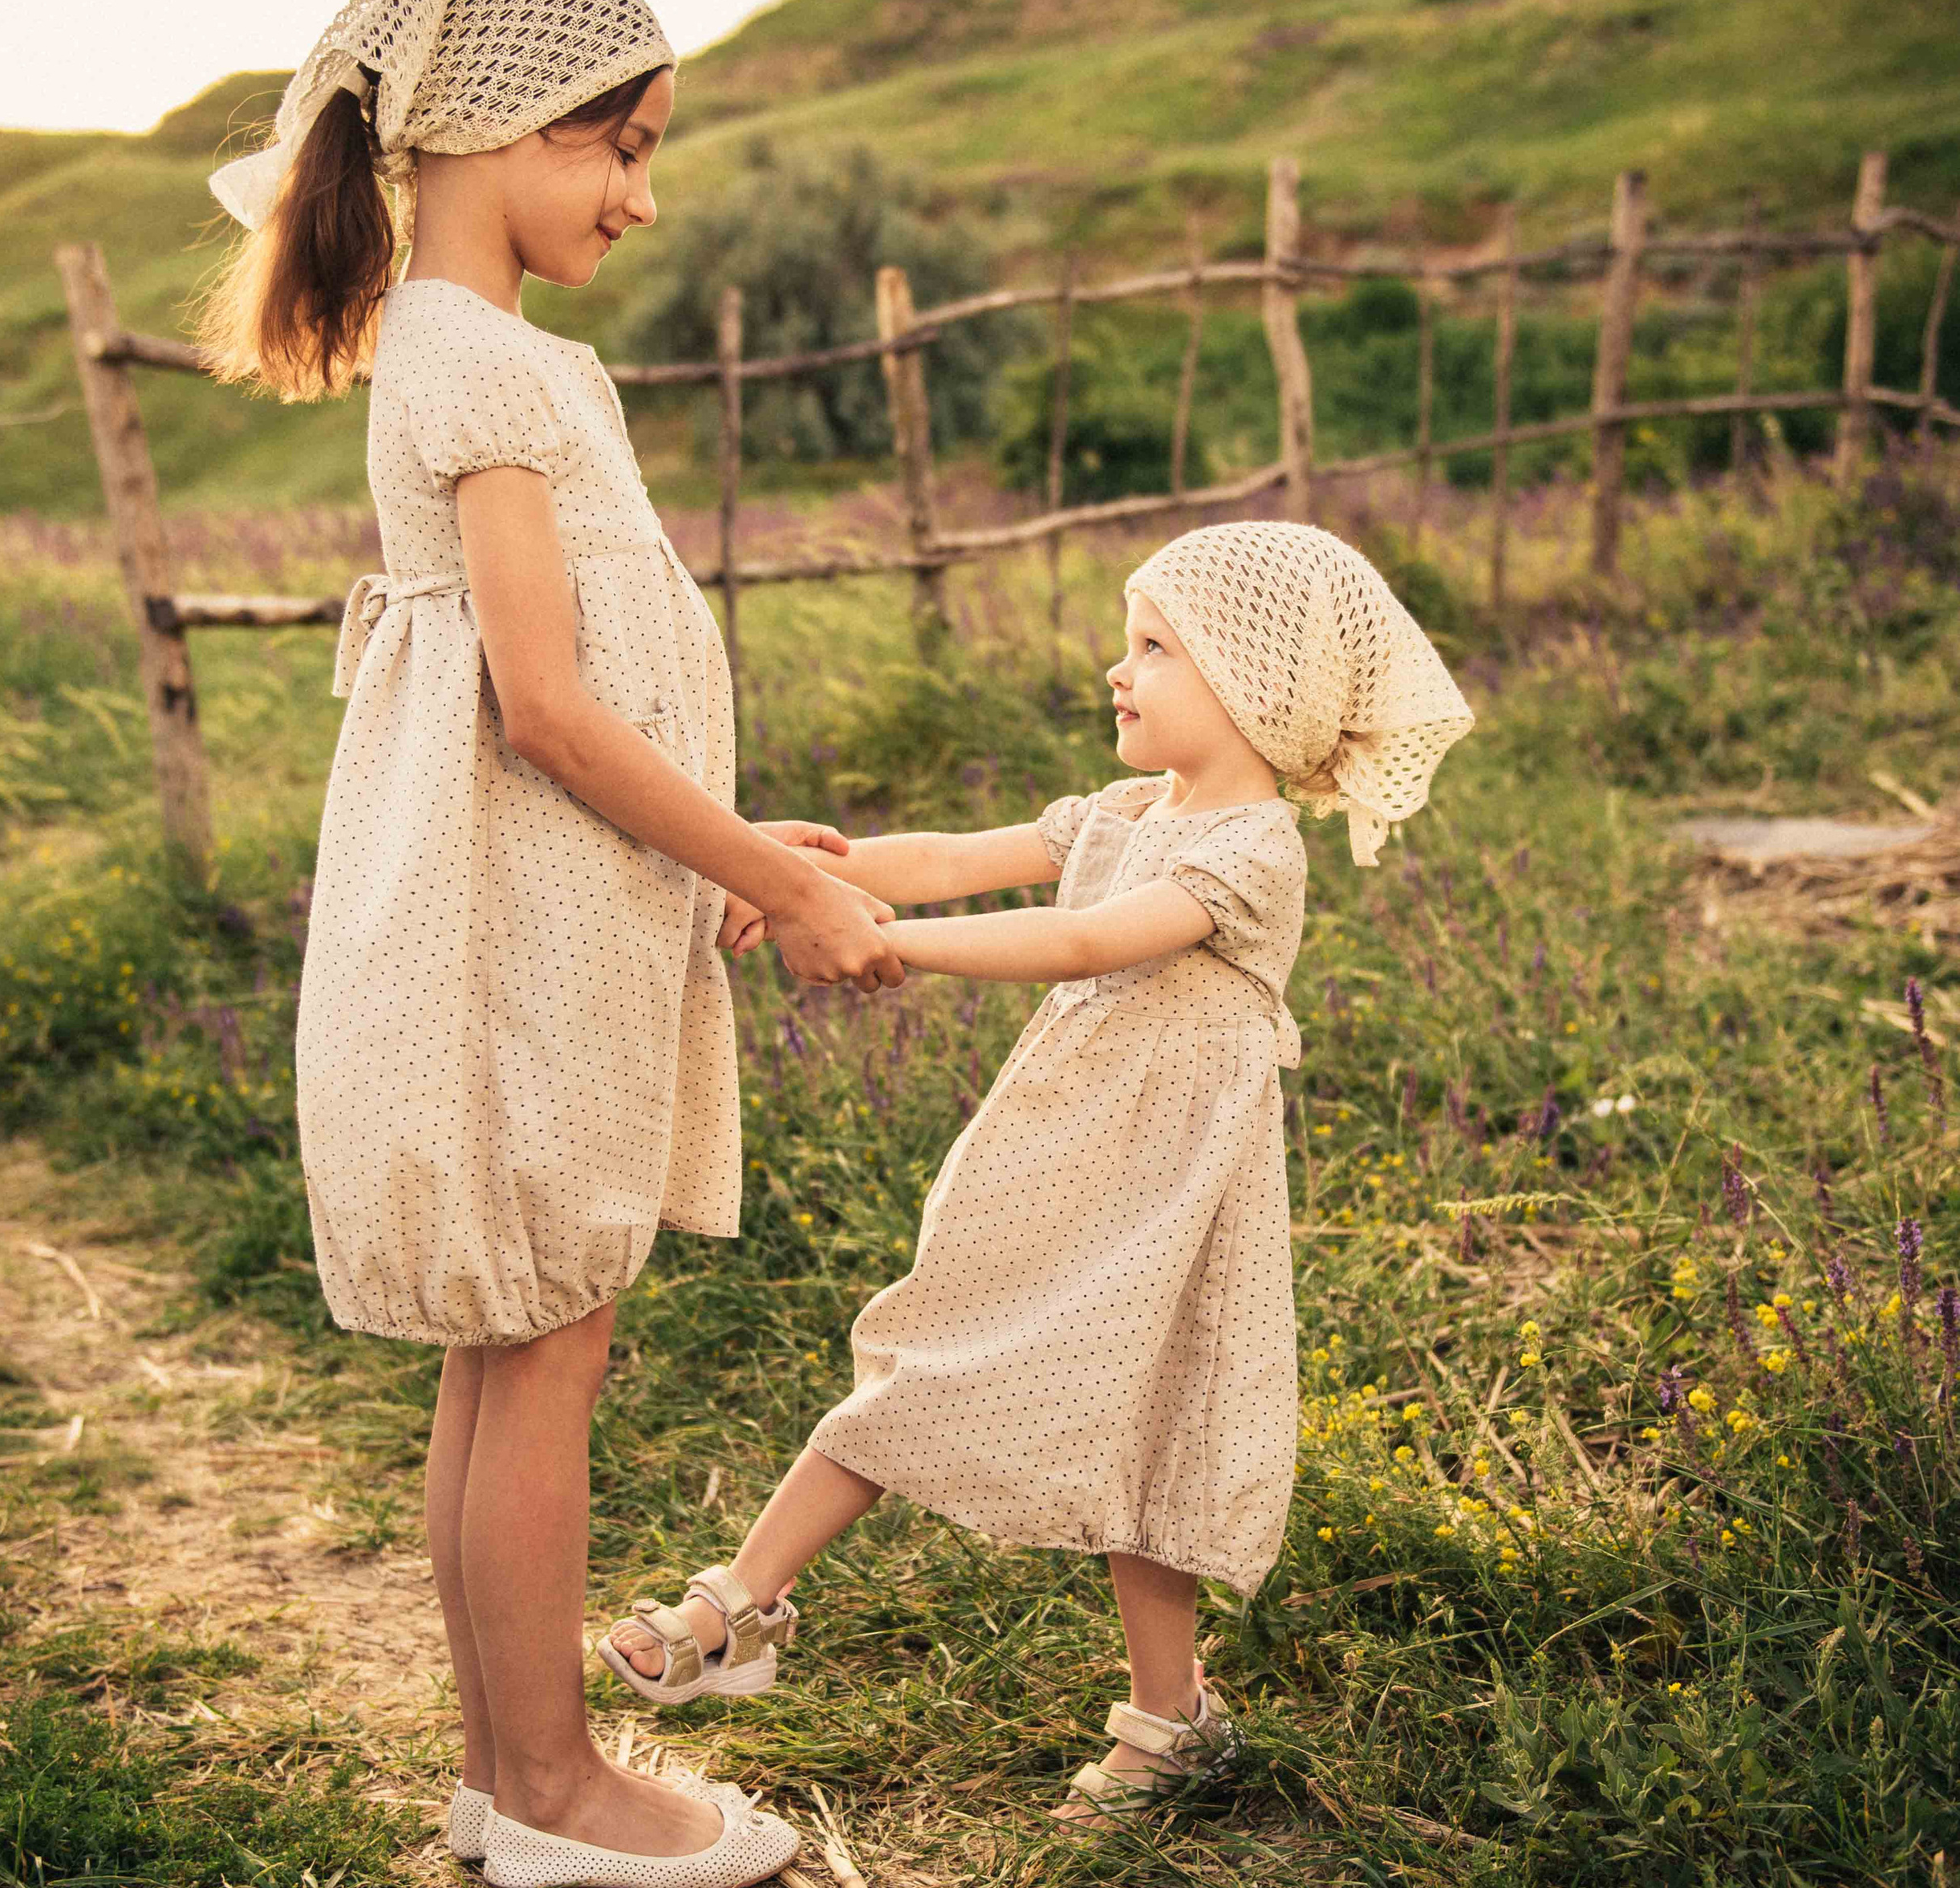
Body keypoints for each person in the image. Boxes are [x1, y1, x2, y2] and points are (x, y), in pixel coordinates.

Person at [202, 0, 903, 1888]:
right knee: (546, 1352)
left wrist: (752, 844)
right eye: (619, 143)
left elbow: (582, 694)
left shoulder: (469, 355)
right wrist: (761, 872)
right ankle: (554, 1786)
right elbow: (548, 705)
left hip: (545, 924)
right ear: (496, 126)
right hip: (518, 937)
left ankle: (509, 1771)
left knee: (512, 1351)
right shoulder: (476, 359)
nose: (641, 192)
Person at [598, 521, 1471, 1817]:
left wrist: (899, 951)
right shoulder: (1124, 810)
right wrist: (797, 877)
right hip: (1052, 1163)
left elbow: (1088, 940)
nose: (1120, 670)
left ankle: (1169, 1715)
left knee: (1153, 1433)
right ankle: (743, 1601)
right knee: (923, 1346)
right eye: (1129, 643)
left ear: (1251, 681)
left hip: (1171, 1205)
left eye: (1157, 647)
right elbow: (951, 857)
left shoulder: (1248, 851)